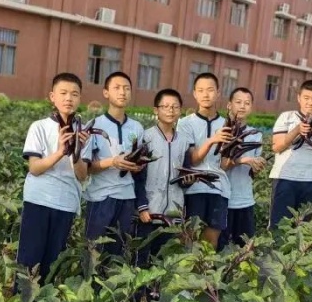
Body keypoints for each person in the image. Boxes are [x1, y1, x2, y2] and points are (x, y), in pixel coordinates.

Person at [17, 73, 89, 284]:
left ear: (80, 98)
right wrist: (59, 152)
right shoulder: (39, 127)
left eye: (74, 94)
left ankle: (44, 301)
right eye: (63, 93)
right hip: (38, 200)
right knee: (29, 260)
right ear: (52, 97)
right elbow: (34, 168)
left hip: (66, 203)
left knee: (53, 262)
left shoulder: (84, 132)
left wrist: (76, 151)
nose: (69, 98)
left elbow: (82, 174)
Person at [82, 72, 144, 257]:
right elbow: (87, 168)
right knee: (93, 252)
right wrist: (112, 161)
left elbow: (140, 162)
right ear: (106, 93)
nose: (122, 92)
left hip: (127, 198)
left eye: (126, 88)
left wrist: (138, 166)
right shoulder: (94, 125)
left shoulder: (137, 127)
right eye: (117, 88)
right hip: (101, 198)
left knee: (118, 254)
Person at [133, 88, 194, 266]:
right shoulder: (146, 138)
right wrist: (142, 206)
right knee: (142, 260)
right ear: (156, 110)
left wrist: (188, 181)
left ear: (180, 110)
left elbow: (185, 174)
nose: (170, 110)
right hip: (149, 212)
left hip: (173, 213)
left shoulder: (184, 141)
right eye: (165, 106)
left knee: (167, 261)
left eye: (175, 106)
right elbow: (137, 176)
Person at [177, 73, 232, 249]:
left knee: (211, 241)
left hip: (219, 188)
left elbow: (224, 164)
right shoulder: (185, 123)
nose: (205, 94)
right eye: (200, 90)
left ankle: (207, 268)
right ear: (194, 94)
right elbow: (192, 160)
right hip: (193, 188)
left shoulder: (227, 124)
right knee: (189, 237)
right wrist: (212, 140)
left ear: (218, 93)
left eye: (210, 90)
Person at [269, 80, 312, 228]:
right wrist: (297, 130)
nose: (310, 102)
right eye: (306, 98)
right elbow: (277, 147)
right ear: (299, 98)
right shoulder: (286, 117)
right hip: (284, 178)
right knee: (279, 226)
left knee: (304, 228)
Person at [219, 88, 266, 247]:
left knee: (244, 249)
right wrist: (243, 160)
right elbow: (221, 165)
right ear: (229, 105)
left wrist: (257, 166)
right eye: (238, 102)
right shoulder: (222, 132)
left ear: (251, 107)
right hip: (223, 200)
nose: (242, 106)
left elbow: (252, 172)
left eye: (247, 103)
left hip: (245, 200)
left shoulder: (256, 135)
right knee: (221, 249)